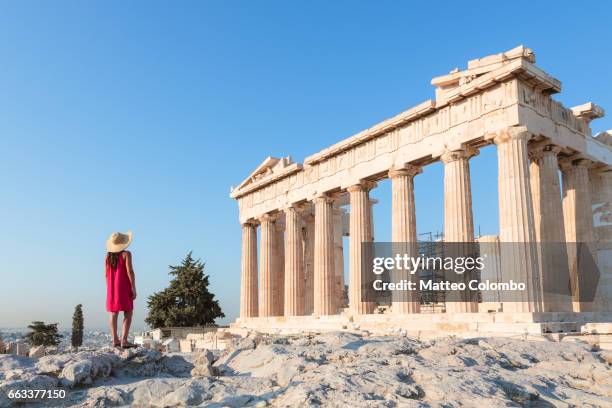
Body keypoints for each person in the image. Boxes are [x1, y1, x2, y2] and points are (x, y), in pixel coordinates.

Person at [105, 231, 137, 348]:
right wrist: (133, 288)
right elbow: (130, 271)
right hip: (124, 286)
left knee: (113, 313)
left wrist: (110, 289)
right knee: (128, 312)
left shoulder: (108, 257)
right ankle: (124, 340)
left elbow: (106, 275)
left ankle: (115, 340)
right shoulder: (126, 254)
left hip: (111, 287)